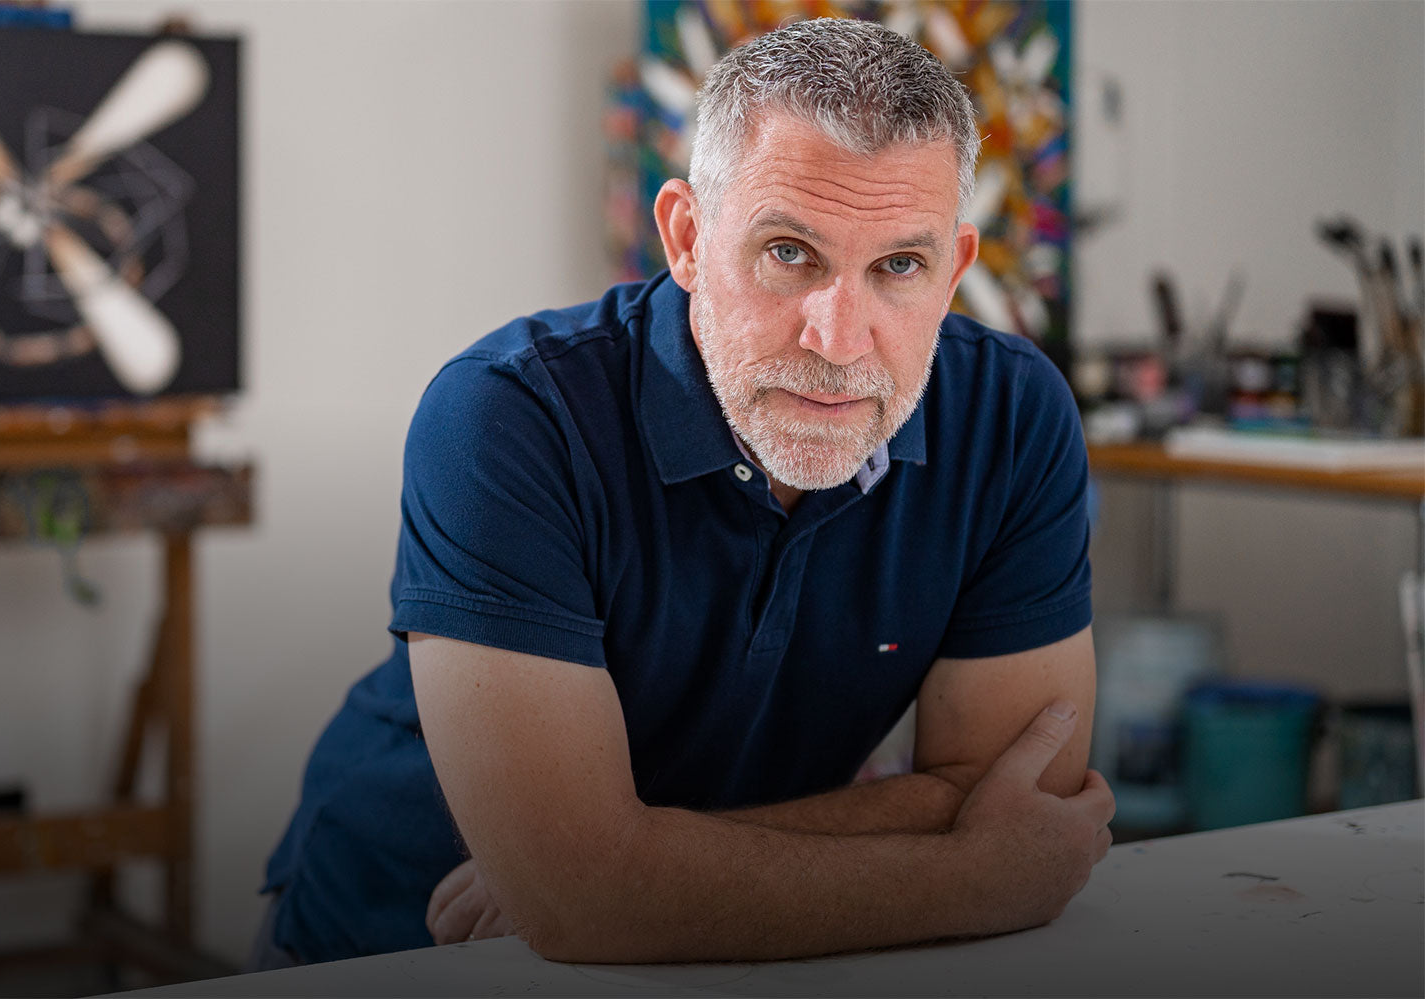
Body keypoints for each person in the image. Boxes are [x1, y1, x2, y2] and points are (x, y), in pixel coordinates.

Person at [253, 16, 1114, 969]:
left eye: (898, 267)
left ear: (954, 270)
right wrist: (978, 878)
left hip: (740, 953)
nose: (839, 338)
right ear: (688, 237)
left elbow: (1008, 788)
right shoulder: (507, 418)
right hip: (397, 942)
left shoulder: (1013, 416)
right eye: (790, 252)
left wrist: (620, 869)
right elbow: (584, 906)